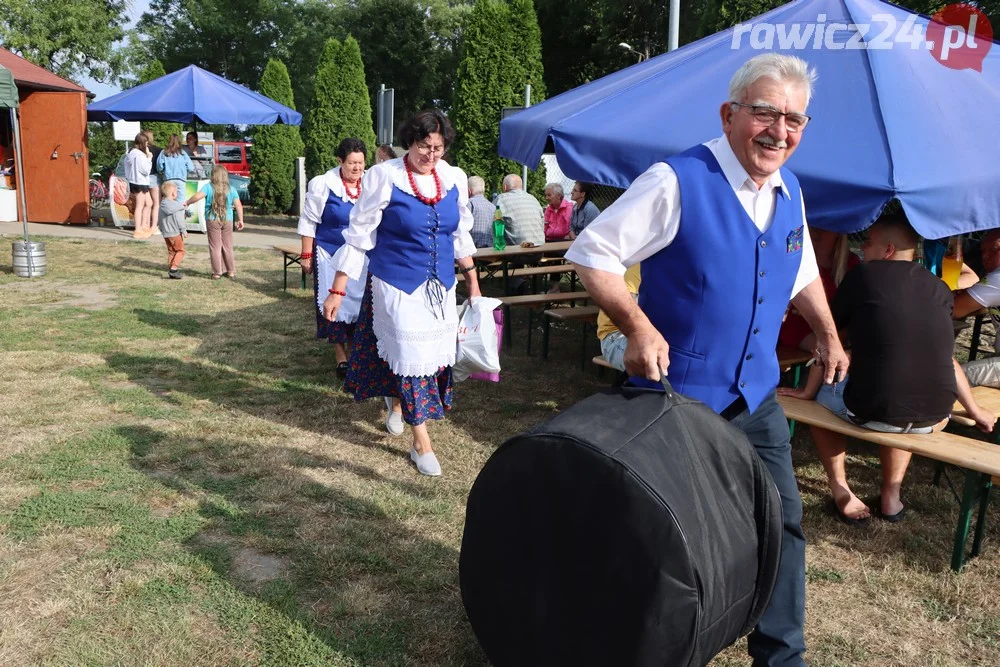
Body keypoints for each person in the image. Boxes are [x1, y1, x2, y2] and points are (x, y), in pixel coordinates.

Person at [566, 54, 851, 667]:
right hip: (678, 397)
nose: (780, 130)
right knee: (660, 536)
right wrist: (636, 326)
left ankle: (781, 657)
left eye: (793, 118)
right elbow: (593, 252)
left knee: (781, 524)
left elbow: (799, 268)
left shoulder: (790, 189)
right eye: (766, 112)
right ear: (729, 115)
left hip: (756, 396)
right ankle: (630, 644)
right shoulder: (677, 180)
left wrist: (827, 332)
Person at [779, 216, 995, 525]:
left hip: (874, 412)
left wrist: (806, 391)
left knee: (826, 396)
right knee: (906, 387)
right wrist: (975, 411)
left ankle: (841, 489)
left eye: (867, 243)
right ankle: (891, 496)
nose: (862, 249)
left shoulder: (862, 276)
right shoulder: (939, 288)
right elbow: (946, 359)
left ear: (888, 249)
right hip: (935, 418)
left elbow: (830, 345)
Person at [321, 109, 481, 477]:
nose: (431, 155)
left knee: (430, 359)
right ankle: (421, 441)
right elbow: (360, 236)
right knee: (409, 354)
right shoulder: (384, 176)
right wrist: (337, 289)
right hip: (395, 283)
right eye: (425, 146)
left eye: (438, 148)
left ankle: (397, 405)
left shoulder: (453, 178)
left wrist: (472, 280)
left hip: (440, 286)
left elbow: (460, 234)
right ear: (409, 142)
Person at [297, 137, 369, 377]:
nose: (357, 168)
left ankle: (353, 351)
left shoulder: (370, 184)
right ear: (340, 161)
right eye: (351, 163)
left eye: (360, 162)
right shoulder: (323, 185)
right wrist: (306, 254)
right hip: (329, 253)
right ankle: (340, 356)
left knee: (357, 304)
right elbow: (309, 221)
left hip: (360, 257)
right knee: (334, 304)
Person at [779, 227, 860, 351]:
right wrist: (825, 346)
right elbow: (789, 325)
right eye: (812, 225)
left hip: (836, 342)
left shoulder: (851, 263)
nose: (816, 231)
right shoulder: (794, 259)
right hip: (796, 341)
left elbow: (856, 315)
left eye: (825, 227)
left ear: (839, 233)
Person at [954, 230, 1000, 387]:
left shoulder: (998, 278)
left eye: (995, 250)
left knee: (948, 377)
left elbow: (955, 309)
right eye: (983, 251)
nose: (985, 256)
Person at [184, 165, 244, 279]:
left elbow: (197, 196)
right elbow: (238, 205)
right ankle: (231, 271)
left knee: (215, 246)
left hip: (212, 219)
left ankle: (217, 272)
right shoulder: (231, 189)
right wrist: (241, 219)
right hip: (228, 219)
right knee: (228, 246)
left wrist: (188, 202)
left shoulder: (208, 187)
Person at [596, 264, 641, 371]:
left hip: (649, 335)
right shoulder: (636, 269)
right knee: (661, 361)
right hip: (615, 335)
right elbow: (627, 318)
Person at [494, 174, 544, 247]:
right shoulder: (533, 199)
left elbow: (491, 222)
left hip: (516, 252)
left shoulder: (501, 199)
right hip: (539, 250)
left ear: (505, 187)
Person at [123, 133, 154, 240]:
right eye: (146, 143)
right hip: (140, 181)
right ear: (142, 143)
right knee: (140, 205)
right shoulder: (139, 155)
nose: (147, 145)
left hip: (135, 181)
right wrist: (149, 158)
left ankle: (144, 226)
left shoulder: (130, 152)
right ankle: (138, 230)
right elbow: (145, 170)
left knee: (149, 203)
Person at [157, 181, 189, 279]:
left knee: (171, 251)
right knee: (180, 251)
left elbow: (160, 219)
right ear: (173, 193)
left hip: (166, 234)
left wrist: (162, 229)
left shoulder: (162, 205)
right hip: (175, 233)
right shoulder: (176, 206)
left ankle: (171, 268)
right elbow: (179, 220)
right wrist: (184, 230)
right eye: (176, 191)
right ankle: (174, 269)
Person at [142, 130, 163, 236]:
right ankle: (154, 227)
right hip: (154, 177)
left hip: (142, 179)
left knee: (146, 204)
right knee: (156, 204)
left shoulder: (139, 150)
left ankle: (144, 225)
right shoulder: (158, 150)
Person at [467, 175, 494, 248]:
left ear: (469, 191)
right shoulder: (493, 206)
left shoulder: (469, 204)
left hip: (474, 252)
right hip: (491, 252)